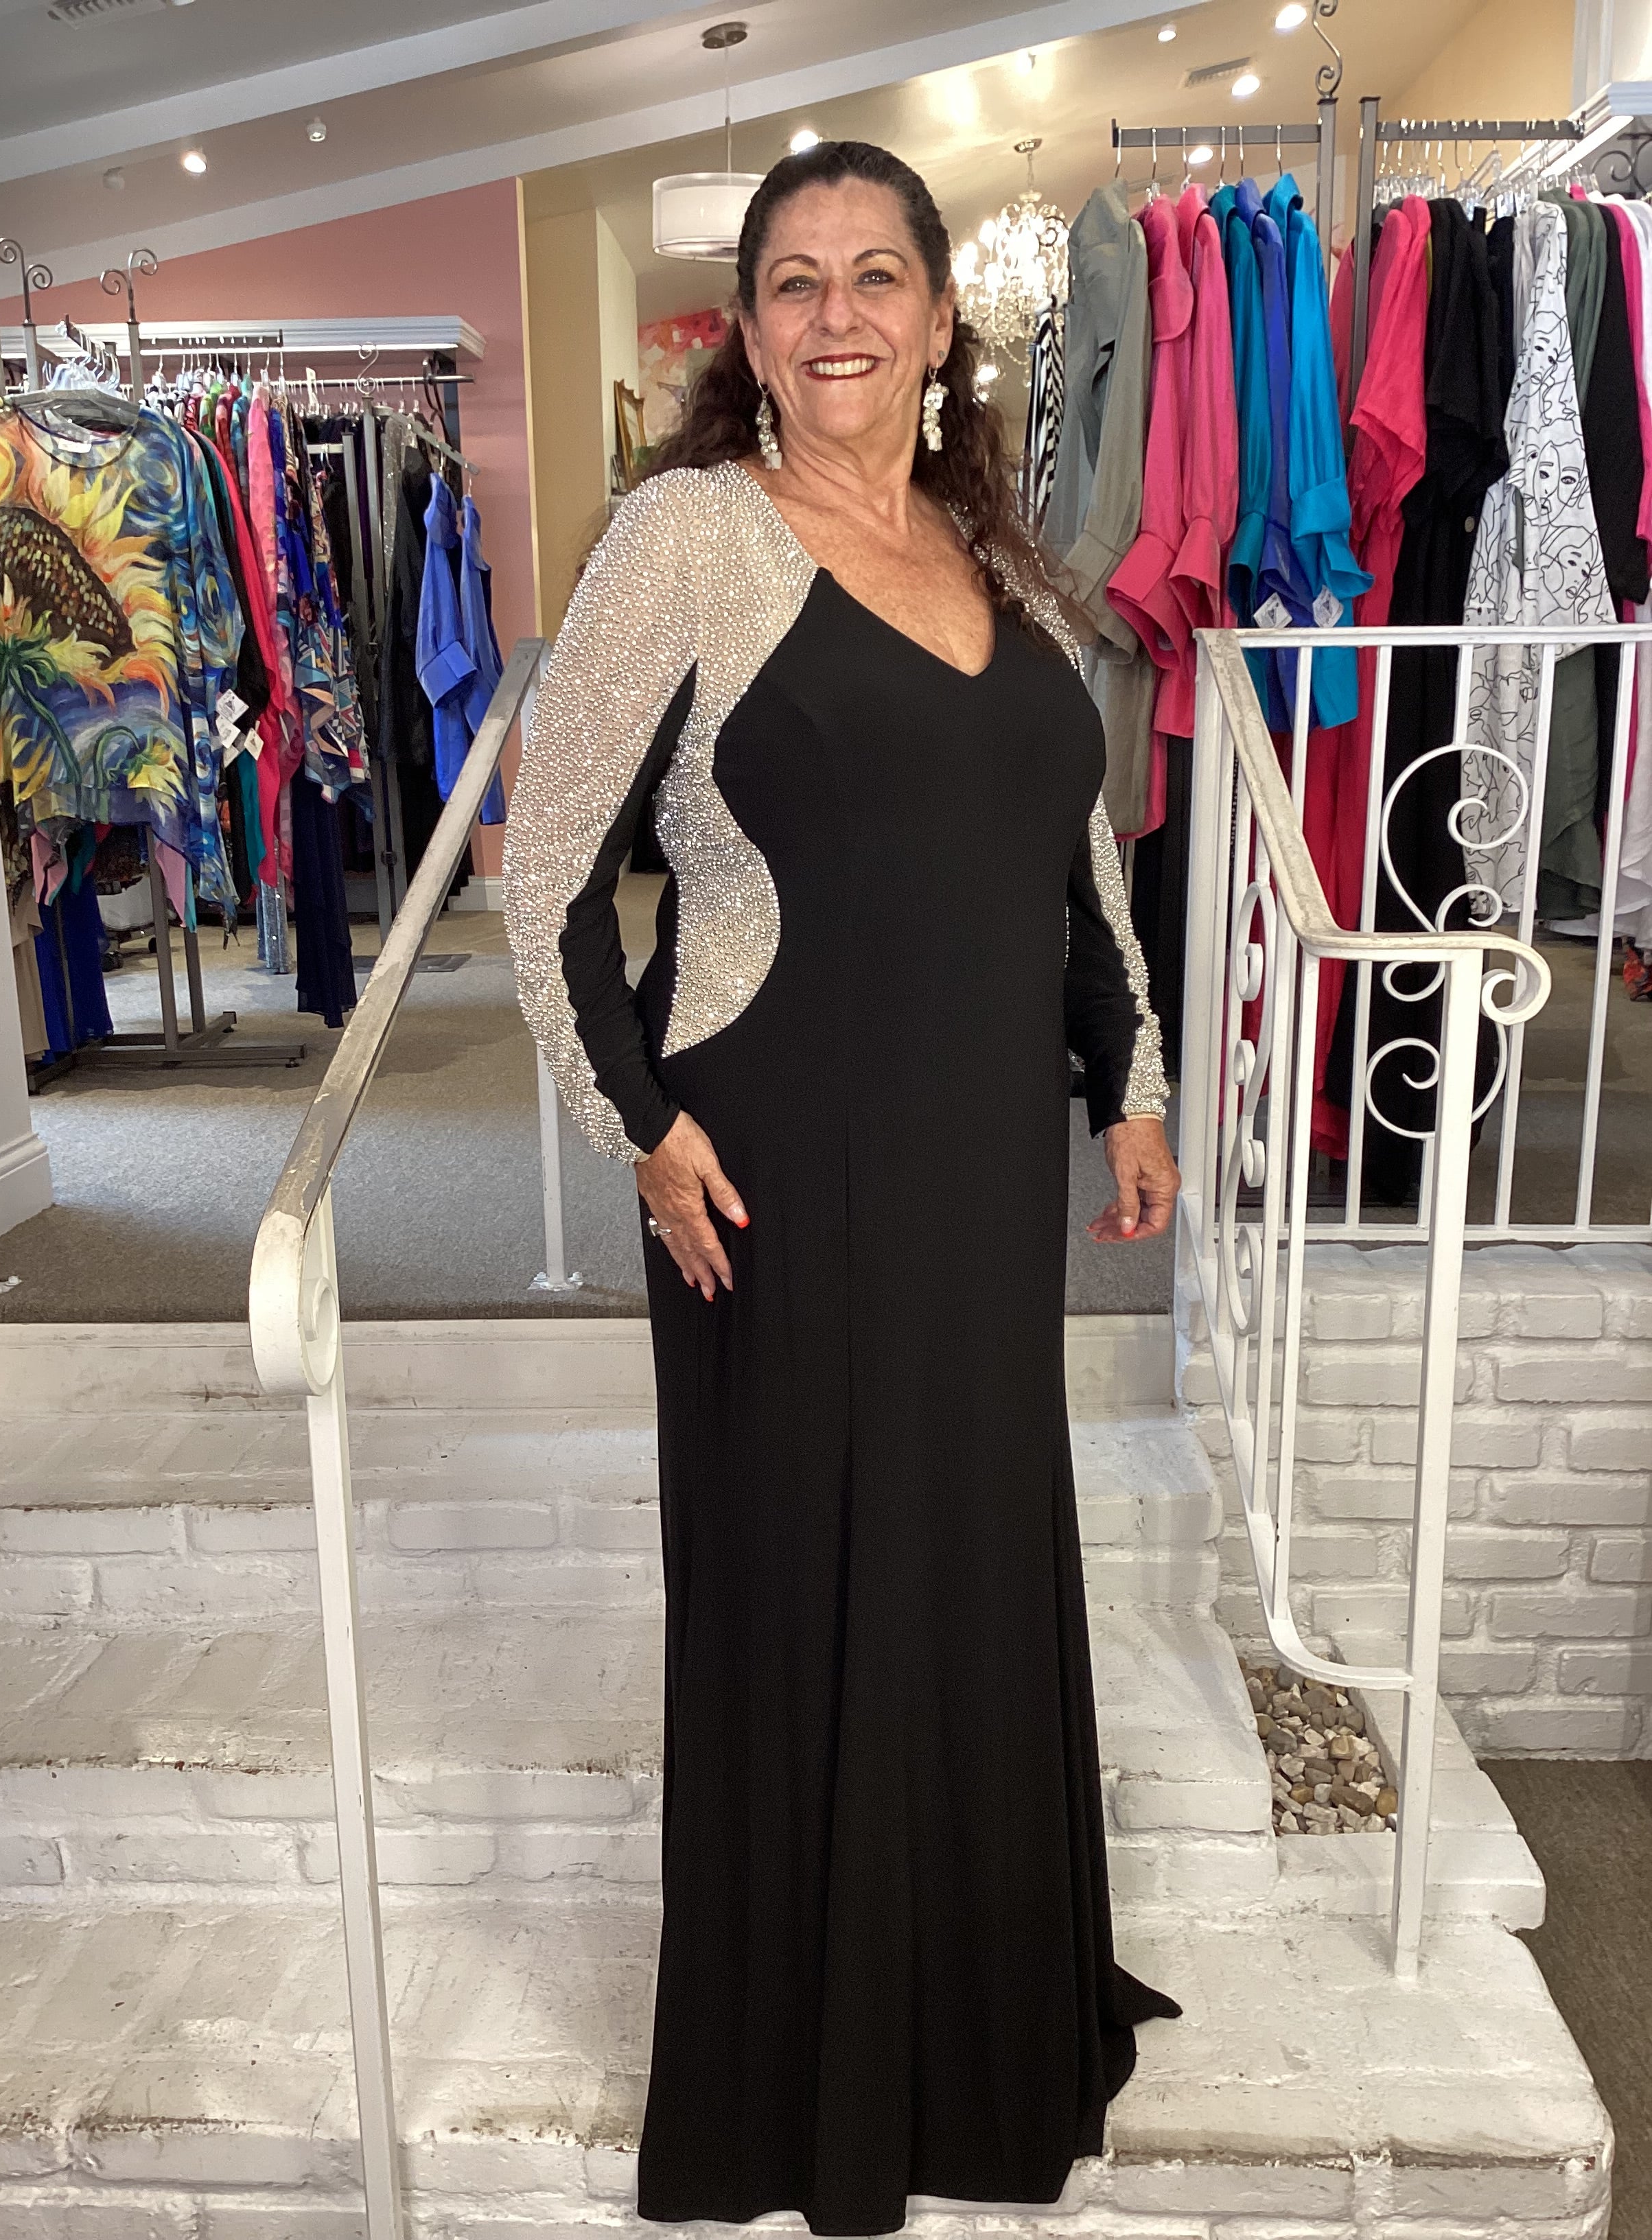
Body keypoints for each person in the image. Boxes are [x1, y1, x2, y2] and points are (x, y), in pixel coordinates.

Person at [504, 137, 1182, 2239]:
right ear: (748, 328)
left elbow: (1074, 857)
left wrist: (1131, 1080)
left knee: (969, 1560)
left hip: (978, 1173)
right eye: (793, 281)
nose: (837, 316)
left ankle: (979, 2023)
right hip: (772, 1168)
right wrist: (638, 1126)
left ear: (938, 316)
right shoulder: (691, 537)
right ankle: (814, 2090)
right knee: (810, 1594)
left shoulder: (994, 550)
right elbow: (547, 876)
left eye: (875, 275)